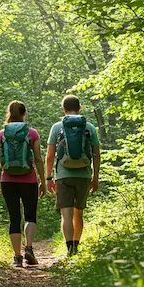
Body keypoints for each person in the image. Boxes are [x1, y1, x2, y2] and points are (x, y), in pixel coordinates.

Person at [0, 101, 46, 267]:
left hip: (8, 180)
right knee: (30, 215)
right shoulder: (32, 133)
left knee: (14, 218)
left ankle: (17, 258)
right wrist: (43, 181)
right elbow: (38, 159)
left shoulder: (2, 134)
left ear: (9, 113)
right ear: (24, 114)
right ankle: (28, 248)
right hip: (29, 180)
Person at [46, 95, 100, 256]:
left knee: (66, 214)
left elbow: (49, 155)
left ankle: (70, 249)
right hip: (84, 176)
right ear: (80, 107)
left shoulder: (57, 127)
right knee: (79, 213)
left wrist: (48, 178)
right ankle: (76, 246)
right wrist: (95, 177)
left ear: (63, 109)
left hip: (63, 175)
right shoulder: (89, 127)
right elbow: (96, 154)